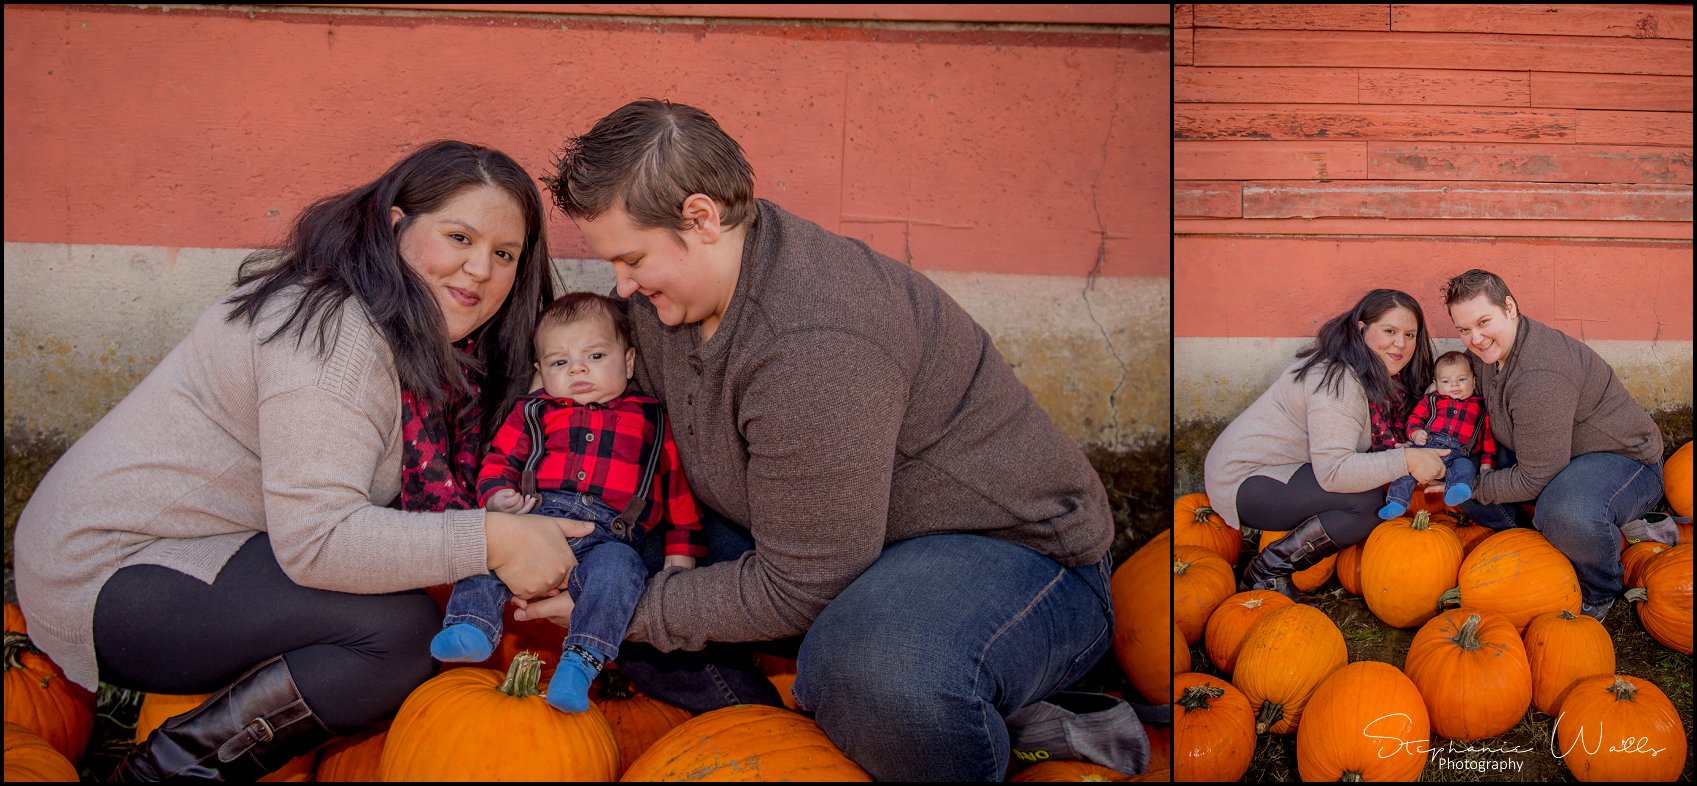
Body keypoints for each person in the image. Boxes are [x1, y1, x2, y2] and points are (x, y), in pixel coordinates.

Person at [517, 99, 1117, 781]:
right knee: (605, 535)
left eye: (630, 259)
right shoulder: (673, 301)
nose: (620, 285)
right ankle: (783, 745)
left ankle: (972, 727)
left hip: (1016, 559)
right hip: (837, 544)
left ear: (702, 218)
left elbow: (803, 582)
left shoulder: (816, 345)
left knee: (875, 675)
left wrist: (614, 614)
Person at [12, 140, 591, 781]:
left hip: (218, 544)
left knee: (407, 595)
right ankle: (162, 774)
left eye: (504, 254)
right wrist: (493, 538)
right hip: (112, 570)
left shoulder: (433, 347)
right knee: (396, 636)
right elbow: (319, 540)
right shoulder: (332, 336)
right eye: (459, 237)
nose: (480, 269)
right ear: (397, 227)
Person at [433, 291, 705, 714]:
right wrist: (499, 497)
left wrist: (679, 560)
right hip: (535, 518)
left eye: (595, 356)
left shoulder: (652, 418)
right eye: (560, 362)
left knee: (621, 575)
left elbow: (678, 495)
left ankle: (581, 661)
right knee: (486, 547)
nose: (577, 368)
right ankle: (471, 624)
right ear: (542, 373)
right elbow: (499, 462)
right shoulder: (534, 412)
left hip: (609, 537)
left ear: (628, 362)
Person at [1442, 269, 1669, 621]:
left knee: (1563, 512)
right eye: (1464, 329)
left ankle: (1601, 586)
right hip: (1552, 453)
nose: (1476, 338)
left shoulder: (1540, 376)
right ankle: (1539, 546)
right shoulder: (1491, 352)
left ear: (1510, 307)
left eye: (1483, 322)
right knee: (1457, 465)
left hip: (1624, 461)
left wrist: (1473, 485)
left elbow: (1536, 477)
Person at [1203, 289, 1451, 602]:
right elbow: (1334, 472)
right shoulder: (1338, 381)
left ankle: (1269, 569)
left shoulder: (1380, 376)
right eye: (1389, 331)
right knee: (1372, 501)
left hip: (1286, 469)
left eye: (1409, 334)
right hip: (1245, 479)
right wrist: (1407, 460)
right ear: (1362, 330)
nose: (1400, 344)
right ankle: (1266, 572)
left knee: (1376, 488)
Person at [1378, 350, 1495, 519]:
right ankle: (1397, 501)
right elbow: (1415, 418)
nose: (1454, 385)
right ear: (1436, 384)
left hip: (1458, 454)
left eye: (1461, 380)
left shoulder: (1481, 408)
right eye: (1446, 381)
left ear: (1474, 381)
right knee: (1406, 470)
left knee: (1466, 468)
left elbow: (1487, 440)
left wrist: (1487, 464)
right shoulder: (1432, 400)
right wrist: (1415, 433)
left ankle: (1456, 489)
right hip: (1427, 448)